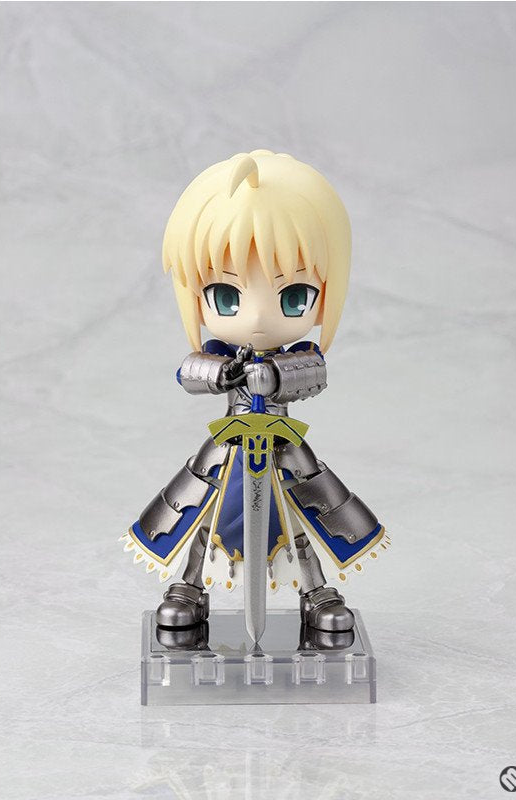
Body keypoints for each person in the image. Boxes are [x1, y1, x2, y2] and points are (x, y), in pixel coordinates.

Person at [121, 150, 389, 633]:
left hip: (283, 444)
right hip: (229, 443)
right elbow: (188, 372)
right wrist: (222, 375)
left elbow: (315, 372)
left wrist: (280, 377)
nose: (260, 317)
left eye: (293, 296)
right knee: (204, 514)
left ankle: (316, 591)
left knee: (299, 518)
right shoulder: (222, 353)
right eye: (226, 296)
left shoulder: (298, 354)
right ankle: (190, 586)